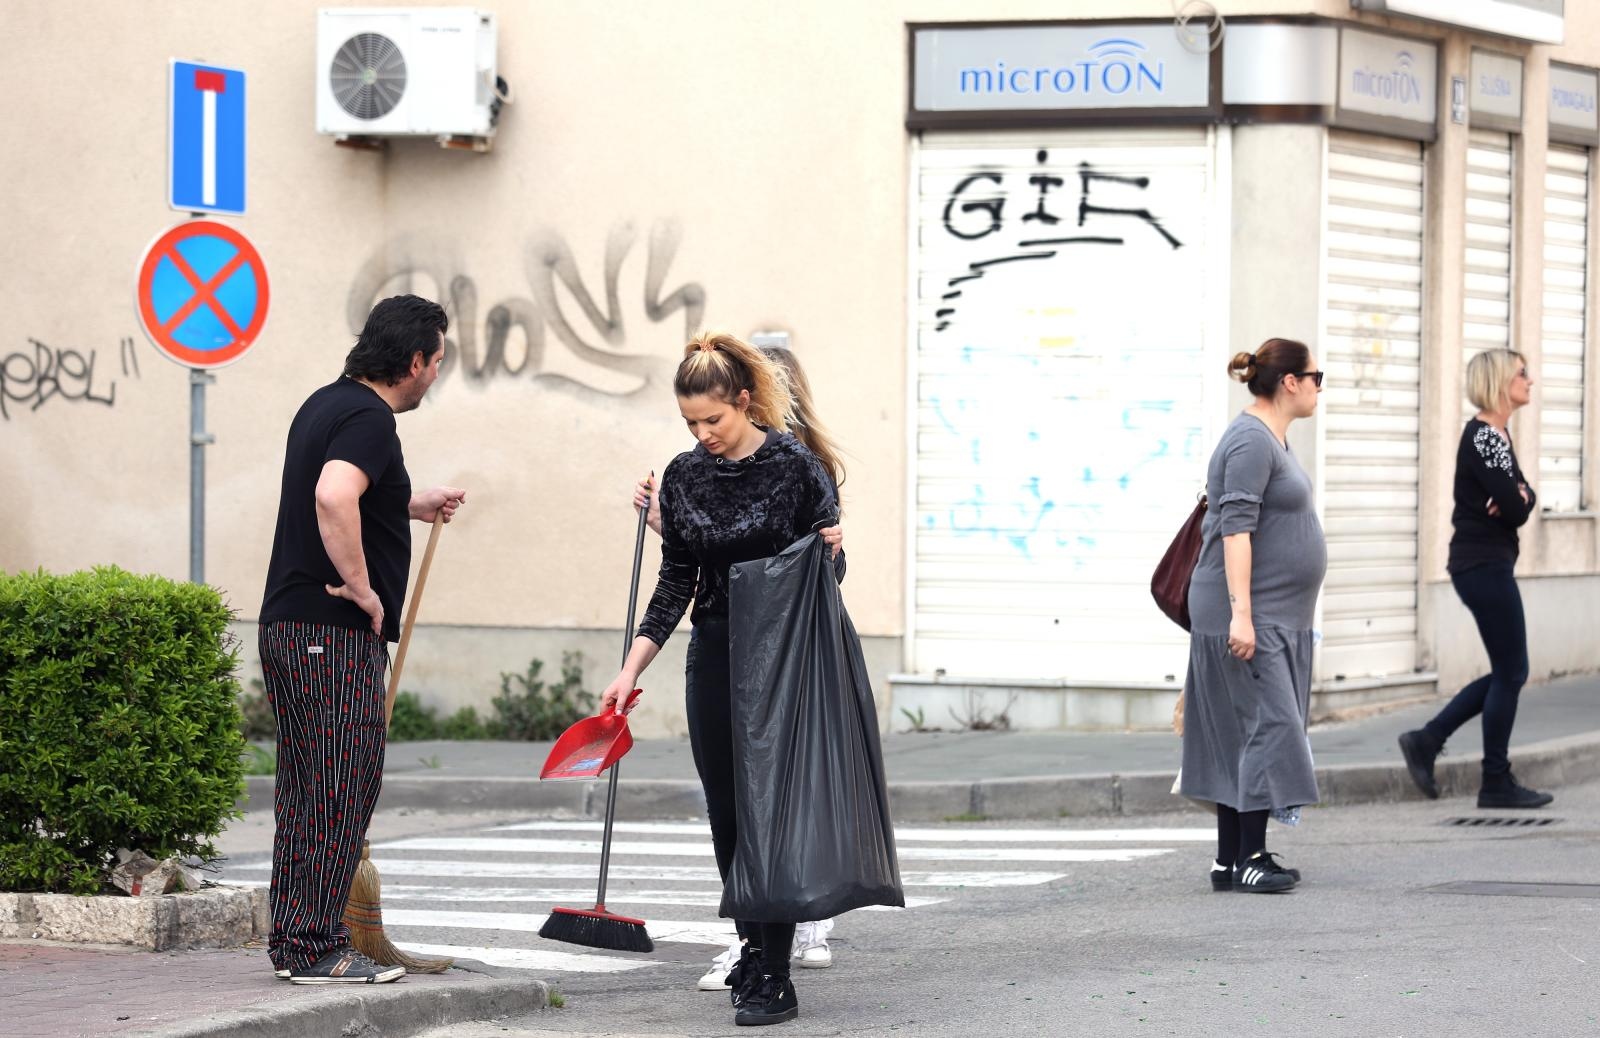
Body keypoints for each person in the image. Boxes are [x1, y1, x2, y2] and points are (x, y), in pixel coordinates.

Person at [603, 332, 845, 1026]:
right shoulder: (683, 476)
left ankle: (775, 972)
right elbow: (676, 579)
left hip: (783, 658)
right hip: (713, 653)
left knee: (768, 812)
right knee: (728, 813)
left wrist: (833, 551)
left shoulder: (795, 467)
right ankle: (750, 944)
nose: (703, 434)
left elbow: (827, 577)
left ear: (744, 401)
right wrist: (630, 668)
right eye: (691, 423)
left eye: (714, 420)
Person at [258, 294, 467, 983]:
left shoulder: (327, 403)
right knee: (341, 786)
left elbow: (352, 488)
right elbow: (332, 494)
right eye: (436, 363)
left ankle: (296, 941)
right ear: (414, 361)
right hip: (331, 632)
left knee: (307, 788)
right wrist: (363, 587)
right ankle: (317, 946)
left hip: (291, 627)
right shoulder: (372, 419)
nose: (435, 376)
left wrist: (411, 502)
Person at [1180, 338, 1326, 894]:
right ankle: (1251, 855)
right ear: (1290, 381)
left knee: (1243, 730)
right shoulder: (1249, 441)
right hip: (1246, 613)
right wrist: (1243, 614)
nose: (1318, 387)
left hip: (1271, 612)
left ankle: (1229, 860)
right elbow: (1235, 531)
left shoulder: (1272, 438)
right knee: (1268, 726)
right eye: (1316, 375)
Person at [1399, 349, 1551, 809]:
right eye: (1522, 373)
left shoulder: (1498, 436)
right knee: (1513, 670)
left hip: (1486, 563)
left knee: (1509, 669)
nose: (1530, 380)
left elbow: (1523, 498)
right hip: (1480, 564)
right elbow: (1517, 505)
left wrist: (1517, 497)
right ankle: (1494, 781)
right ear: (1501, 381)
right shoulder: (1485, 437)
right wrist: (1516, 498)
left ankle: (1428, 740)